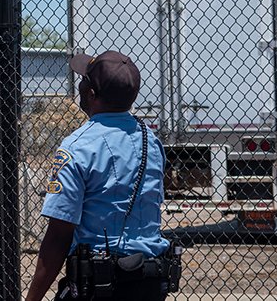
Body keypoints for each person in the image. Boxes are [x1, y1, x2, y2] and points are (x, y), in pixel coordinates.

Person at [25, 50, 175, 301]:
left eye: (83, 80)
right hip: (150, 283)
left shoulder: (77, 147)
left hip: (100, 286)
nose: (79, 85)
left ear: (91, 95)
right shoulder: (151, 141)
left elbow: (59, 236)